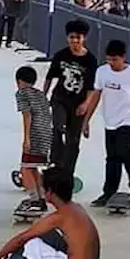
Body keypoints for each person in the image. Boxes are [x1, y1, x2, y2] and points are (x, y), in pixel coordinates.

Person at [84, 38, 130, 205]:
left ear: (123, 57)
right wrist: (86, 121)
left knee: (123, 151)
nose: (112, 63)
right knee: (112, 158)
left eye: (115, 60)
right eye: (109, 59)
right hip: (110, 120)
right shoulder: (102, 72)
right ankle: (108, 192)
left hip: (128, 119)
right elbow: (96, 96)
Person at [44, 18, 98, 179]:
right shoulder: (61, 55)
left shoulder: (90, 60)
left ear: (84, 39)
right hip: (60, 98)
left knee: (73, 139)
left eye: (78, 38)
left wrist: (85, 104)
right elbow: (50, 77)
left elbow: (91, 87)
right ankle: (55, 161)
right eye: (72, 37)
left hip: (78, 102)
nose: (74, 41)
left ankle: (68, 171)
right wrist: (43, 95)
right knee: (57, 127)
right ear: (68, 38)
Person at [14, 64, 53, 215]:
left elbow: (27, 115)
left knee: (25, 167)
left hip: (35, 133)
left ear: (18, 81)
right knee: (34, 166)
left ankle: (34, 200)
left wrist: (26, 139)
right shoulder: (41, 94)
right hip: (46, 132)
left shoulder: (22, 93)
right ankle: (41, 198)